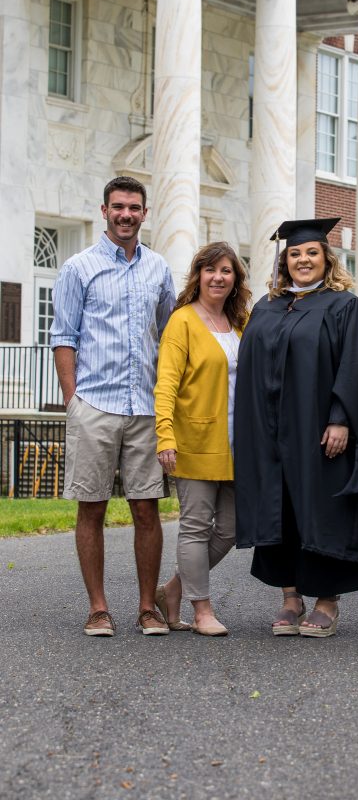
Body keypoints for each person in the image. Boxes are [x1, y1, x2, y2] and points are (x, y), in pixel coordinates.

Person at [234, 218, 358, 638]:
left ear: (326, 259)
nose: (302, 260)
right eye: (294, 254)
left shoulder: (345, 306)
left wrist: (340, 418)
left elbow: (356, 367)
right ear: (284, 262)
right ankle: (290, 598)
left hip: (321, 431)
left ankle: (327, 601)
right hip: (272, 433)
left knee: (327, 510)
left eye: (311, 252)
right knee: (281, 508)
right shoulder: (267, 307)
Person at [50, 176, 175, 637]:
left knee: (147, 509)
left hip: (144, 407)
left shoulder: (159, 269)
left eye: (134, 207)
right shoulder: (78, 268)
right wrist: (73, 401)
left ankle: (147, 607)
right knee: (93, 509)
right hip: (95, 406)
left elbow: (168, 334)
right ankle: (98, 608)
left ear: (145, 213)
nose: (126, 214)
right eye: (118, 206)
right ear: (104, 211)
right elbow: (64, 337)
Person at [154, 242, 251, 637]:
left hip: (236, 444)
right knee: (195, 526)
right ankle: (202, 610)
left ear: (235, 279)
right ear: (198, 276)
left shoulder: (240, 323)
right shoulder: (183, 321)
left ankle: (173, 589)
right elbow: (166, 383)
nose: (218, 277)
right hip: (194, 438)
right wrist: (164, 435)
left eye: (226, 271)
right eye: (211, 270)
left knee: (230, 529)